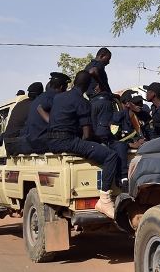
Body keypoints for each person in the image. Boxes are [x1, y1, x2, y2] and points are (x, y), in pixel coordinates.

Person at [42, 70, 119, 219]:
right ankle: (104, 200)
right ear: (88, 85)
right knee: (111, 155)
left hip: (52, 142)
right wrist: (98, 143)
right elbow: (87, 135)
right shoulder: (82, 102)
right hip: (67, 141)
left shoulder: (58, 98)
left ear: (74, 82)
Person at [24, 72, 71, 151]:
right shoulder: (57, 99)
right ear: (61, 87)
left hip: (31, 141)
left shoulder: (38, 99)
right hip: (44, 141)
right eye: (66, 87)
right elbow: (62, 122)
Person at [0, 82, 43, 148]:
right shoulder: (37, 104)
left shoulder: (19, 104)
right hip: (23, 142)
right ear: (40, 94)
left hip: (11, 144)